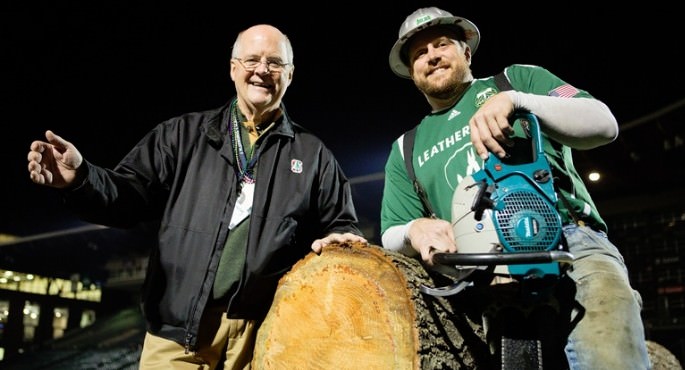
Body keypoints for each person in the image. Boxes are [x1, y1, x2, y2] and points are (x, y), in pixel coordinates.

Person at [27, 24, 366, 369]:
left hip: (263, 339)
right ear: (233, 68)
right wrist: (81, 178)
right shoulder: (181, 136)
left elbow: (341, 224)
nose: (262, 70)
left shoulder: (313, 155)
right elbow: (126, 197)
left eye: (275, 62)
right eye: (252, 59)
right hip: (177, 337)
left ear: (290, 75)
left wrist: (344, 239)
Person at [380, 7, 651, 369]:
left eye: (441, 44)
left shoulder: (515, 80)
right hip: (479, 271)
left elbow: (603, 124)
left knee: (609, 349)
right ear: (412, 73)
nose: (431, 56)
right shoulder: (405, 147)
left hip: (568, 247)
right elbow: (389, 233)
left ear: (466, 52)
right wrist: (414, 229)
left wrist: (520, 101)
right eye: (419, 54)